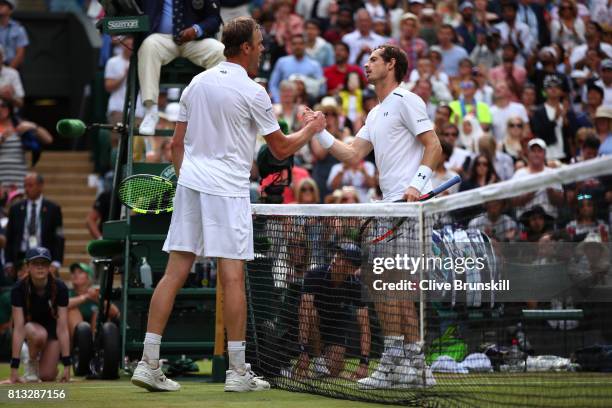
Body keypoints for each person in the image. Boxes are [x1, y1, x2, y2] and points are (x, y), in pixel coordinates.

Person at [130, 16, 326, 393]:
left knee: (173, 274)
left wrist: (190, 178)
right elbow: (282, 148)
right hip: (228, 190)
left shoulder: (196, 83)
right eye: (260, 42)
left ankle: (147, 362)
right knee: (232, 276)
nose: (264, 47)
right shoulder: (254, 92)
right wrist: (312, 129)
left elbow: (175, 147)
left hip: (191, 185)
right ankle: (238, 372)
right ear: (247, 48)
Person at [305, 44, 441, 389]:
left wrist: (416, 185)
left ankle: (397, 364)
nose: (366, 65)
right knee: (387, 289)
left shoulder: (407, 100)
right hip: (388, 208)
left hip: (409, 207)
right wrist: (320, 130)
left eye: (374, 59)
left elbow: (434, 145)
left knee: (393, 289)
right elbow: (351, 154)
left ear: (391, 64)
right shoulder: (375, 113)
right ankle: (415, 367)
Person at [137, 0, 225, 135]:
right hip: (162, 38)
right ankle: (151, 111)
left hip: (194, 40)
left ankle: (210, 112)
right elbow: (132, 9)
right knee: (148, 46)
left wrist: (197, 30)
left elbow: (214, 19)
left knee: (220, 51)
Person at [294, 243, 370, 379]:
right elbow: (304, 314)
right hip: (314, 323)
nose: (335, 259)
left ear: (351, 269)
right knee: (310, 313)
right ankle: (317, 359)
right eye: (337, 255)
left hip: (336, 324)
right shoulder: (314, 275)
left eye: (342, 258)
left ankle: (326, 366)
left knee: (334, 370)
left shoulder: (357, 286)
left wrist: (364, 363)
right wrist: (303, 351)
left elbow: (365, 327)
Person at [5, 247, 70, 383]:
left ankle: (48, 365)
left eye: (44, 263)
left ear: (49, 267)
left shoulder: (60, 287)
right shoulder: (18, 288)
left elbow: (62, 328)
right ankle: (30, 367)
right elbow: (18, 328)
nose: (40, 267)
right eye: (35, 263)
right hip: (31, 330)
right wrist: (14, 370)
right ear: (28, 266)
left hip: (52, 332)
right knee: (39, 334)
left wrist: (67, 365)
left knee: (47, 376)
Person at [4, 173, 64, 278]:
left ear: (40, 186)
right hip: (20, 257)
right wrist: (8, 262)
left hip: (44, 256)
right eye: (25, 185)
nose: (27, 189)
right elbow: (10, 237)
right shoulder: (15, 209)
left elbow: (59, 237)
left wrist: (56, 262)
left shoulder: (53, 208)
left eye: (30, 185)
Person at [0, 0, 28, 69]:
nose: (0, 7)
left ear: (10, 10)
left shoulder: (18, 28)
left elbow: (20, 53)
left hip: (12, 67)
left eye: (3, 5)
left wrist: (9, 70)